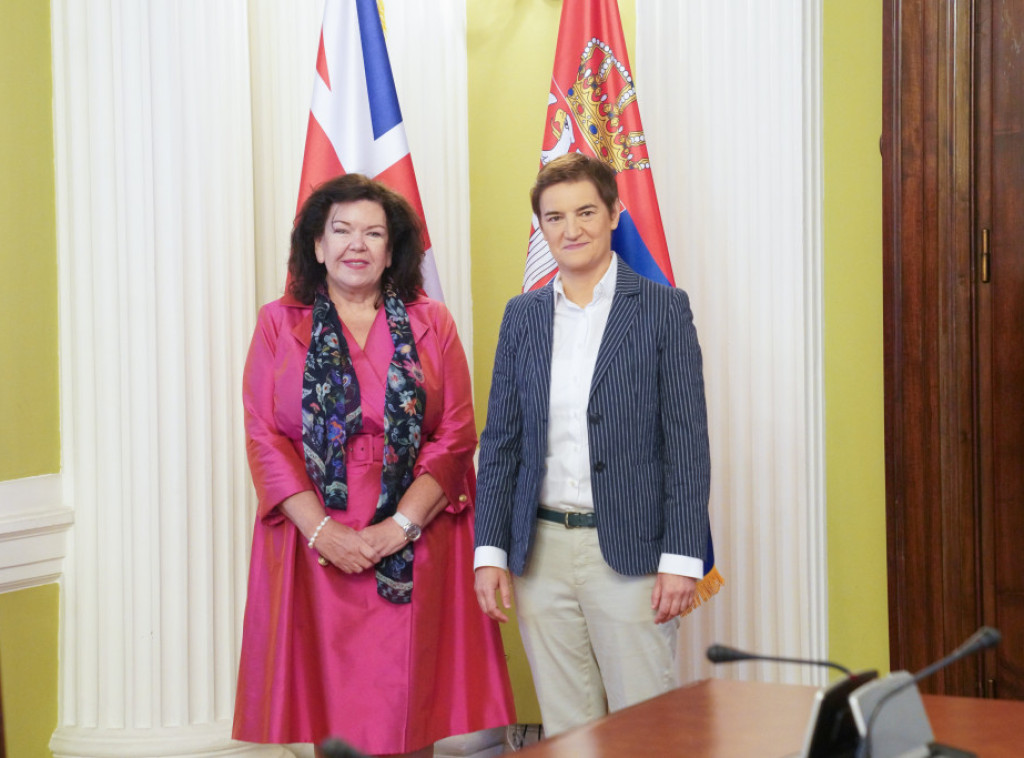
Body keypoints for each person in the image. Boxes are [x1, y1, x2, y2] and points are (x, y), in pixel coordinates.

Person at [234, 174, 516, 757]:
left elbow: (456, 432)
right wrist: (323, 531)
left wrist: (400, 527)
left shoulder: (433, 322)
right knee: (332, 716)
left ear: (393, 251)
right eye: (341, 231)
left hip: (418, 534)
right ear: (318, 245)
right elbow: (265, 438)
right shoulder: (277, 323)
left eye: (374, 233)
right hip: (315, 543)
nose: (356, 245)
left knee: (410, 711)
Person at [473, 152, 711, 736]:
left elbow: (687, 443)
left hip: (632, 550)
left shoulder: (662, 309)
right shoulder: (522, 316)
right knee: (567, 731)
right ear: (541, 227)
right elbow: (501, 443)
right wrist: (490, 552)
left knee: (646, 728)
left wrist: (682, 558)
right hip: (540, 554)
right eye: (554, 217)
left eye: (584, 212)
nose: (571, 229)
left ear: (613, 213)